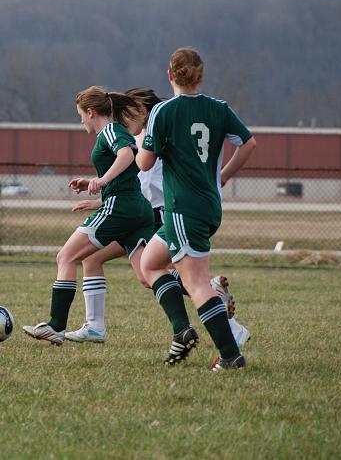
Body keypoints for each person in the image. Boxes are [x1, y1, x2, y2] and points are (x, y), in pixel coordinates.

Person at [66, 88, 251, 350]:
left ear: (140, 111)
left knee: (156, 273)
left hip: (154, 215)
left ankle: (224, 318)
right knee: (103, 260)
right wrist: (101, 200)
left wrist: (102, 197)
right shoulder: (156, 130)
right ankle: (94, 326)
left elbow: (141, 183)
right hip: (146, 213)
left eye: (125, 115)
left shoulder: (150, 136)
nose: (122, 122)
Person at [137, 48, 256, 371]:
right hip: (208, 204)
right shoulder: (219, 108)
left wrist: (144, 144)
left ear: (169, 75)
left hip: (181, 208)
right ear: (200, 75)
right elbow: (249, 143)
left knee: (197, 283)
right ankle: (181, 328)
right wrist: (224, 175)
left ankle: (231, 354)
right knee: (150, 264)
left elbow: (144, 162)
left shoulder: (163, 111)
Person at [22, 87, 154, 345]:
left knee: (66, 256)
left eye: (80, 115)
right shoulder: (114, 132)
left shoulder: (110, 131)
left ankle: (56, 327)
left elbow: (127, 155)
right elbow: (126, 174)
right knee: (149, 275)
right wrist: (93, 186)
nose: (81, 120)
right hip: (136, 208)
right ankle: (207, 290)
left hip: (121, 208)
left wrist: (102, 179)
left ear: (91, 112)